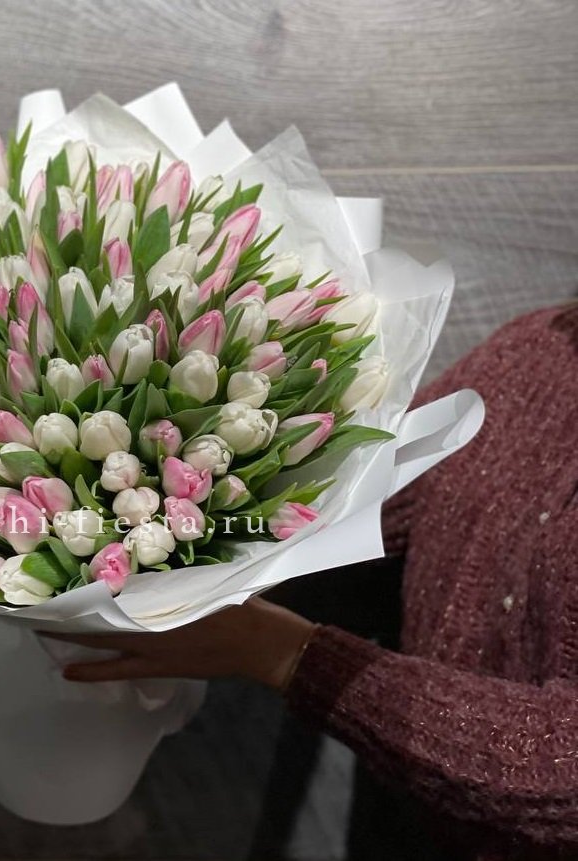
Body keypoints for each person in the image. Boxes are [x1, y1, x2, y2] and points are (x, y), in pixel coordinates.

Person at [47, 304, 578, 859]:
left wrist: (285, 653)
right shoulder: (538, 344)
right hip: (397, 810)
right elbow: (397, 513)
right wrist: (212, 563)